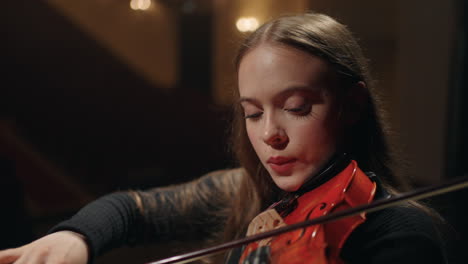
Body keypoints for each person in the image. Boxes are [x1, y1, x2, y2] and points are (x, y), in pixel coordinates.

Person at [0, 12, 449, 264]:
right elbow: (131, 211)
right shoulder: (245, 191)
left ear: (351, 106)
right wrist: (75, 238)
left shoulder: (400, 232)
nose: (270, 134)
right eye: (252, 113)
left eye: (296, 108)